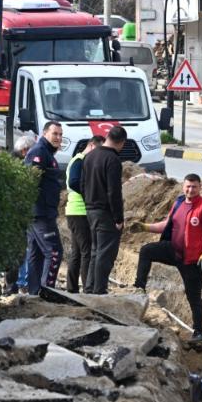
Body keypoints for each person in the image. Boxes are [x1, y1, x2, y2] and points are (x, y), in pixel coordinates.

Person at [128, 174, 202, 349]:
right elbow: (167, 224)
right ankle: (139, 287)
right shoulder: (178, 203)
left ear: (200, 187)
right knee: (147, 251)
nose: (190, 190)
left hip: (194, 259)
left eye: (194, 187)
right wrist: (145, 227)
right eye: (188, 186)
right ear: (183, 186)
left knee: (193, 296)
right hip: (174, 251)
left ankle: (199, 333)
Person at [82, 125, 128, 294]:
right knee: (105, 253)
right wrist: (118, 218)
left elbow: (82, 184)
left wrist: (88, 203)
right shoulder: (113, 160)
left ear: (107, 137)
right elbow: (114, 191)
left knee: (95, 251)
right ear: (121, 142)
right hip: (105, 213)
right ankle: (99, 290)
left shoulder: (90, 156)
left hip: (90, 210)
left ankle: (90, 288)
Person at [23, 122, 65, 295]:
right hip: (40, 213)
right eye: (55, 134)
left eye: (61, 135)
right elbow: (31, 181)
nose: (58, 138)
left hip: (39, 212)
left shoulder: (46, 152)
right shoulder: (39, 152)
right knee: (54, 252)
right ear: (45, 133)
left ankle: (35, 294)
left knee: (37, 254)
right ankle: (47, 293)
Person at [3, 133, 42, 296]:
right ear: (26, 151)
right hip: (17, 213)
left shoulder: (10, 162)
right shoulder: (21, 165)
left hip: (12, 213)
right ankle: (17, 283)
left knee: (17, 250)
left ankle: (12, 284)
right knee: (20, 250)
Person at [65, 136, 103, 294]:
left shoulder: (81, 160)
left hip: (76, 212)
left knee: (77, 253)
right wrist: (90, 194)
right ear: (92, 146)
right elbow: (74, 182)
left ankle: (72, 288)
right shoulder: (79, 160)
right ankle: (88, 290)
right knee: (87, 251)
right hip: (79, 212)